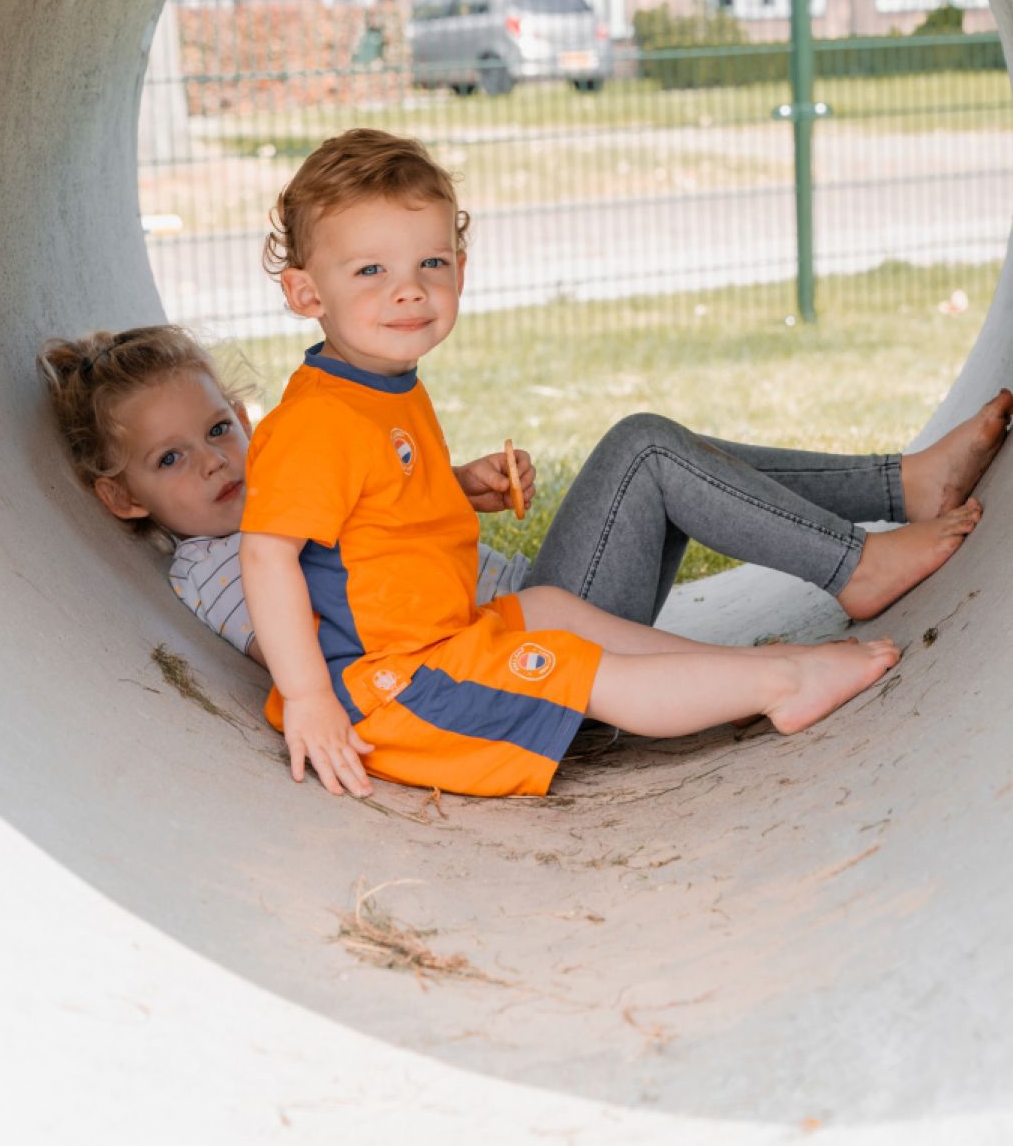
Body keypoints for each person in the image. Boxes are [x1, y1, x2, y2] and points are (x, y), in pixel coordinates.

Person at [238, 128, 1006, 801]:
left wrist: (455, 487)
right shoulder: (317, 417)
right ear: (306, 292)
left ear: (462, 269)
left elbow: (361, 528)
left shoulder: (376, 387)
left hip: (450, 636)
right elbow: (268, 550)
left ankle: (735, 671)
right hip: (400, 690)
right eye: (369, 271)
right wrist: (307, 696)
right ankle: (783, 681)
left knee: (563, 611)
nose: (409, 289)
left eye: (431, 261)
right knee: (625, 519)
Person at [36, 324, 533, 666]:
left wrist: (458, 484)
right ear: (123, 498)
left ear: (243, 417)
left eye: (217, 429)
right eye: (170, 458)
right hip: (506, 640)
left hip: (521, 593)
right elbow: (304, 652)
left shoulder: (292, 483)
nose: (213, 460)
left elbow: (387, 515)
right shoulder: (214, 566)